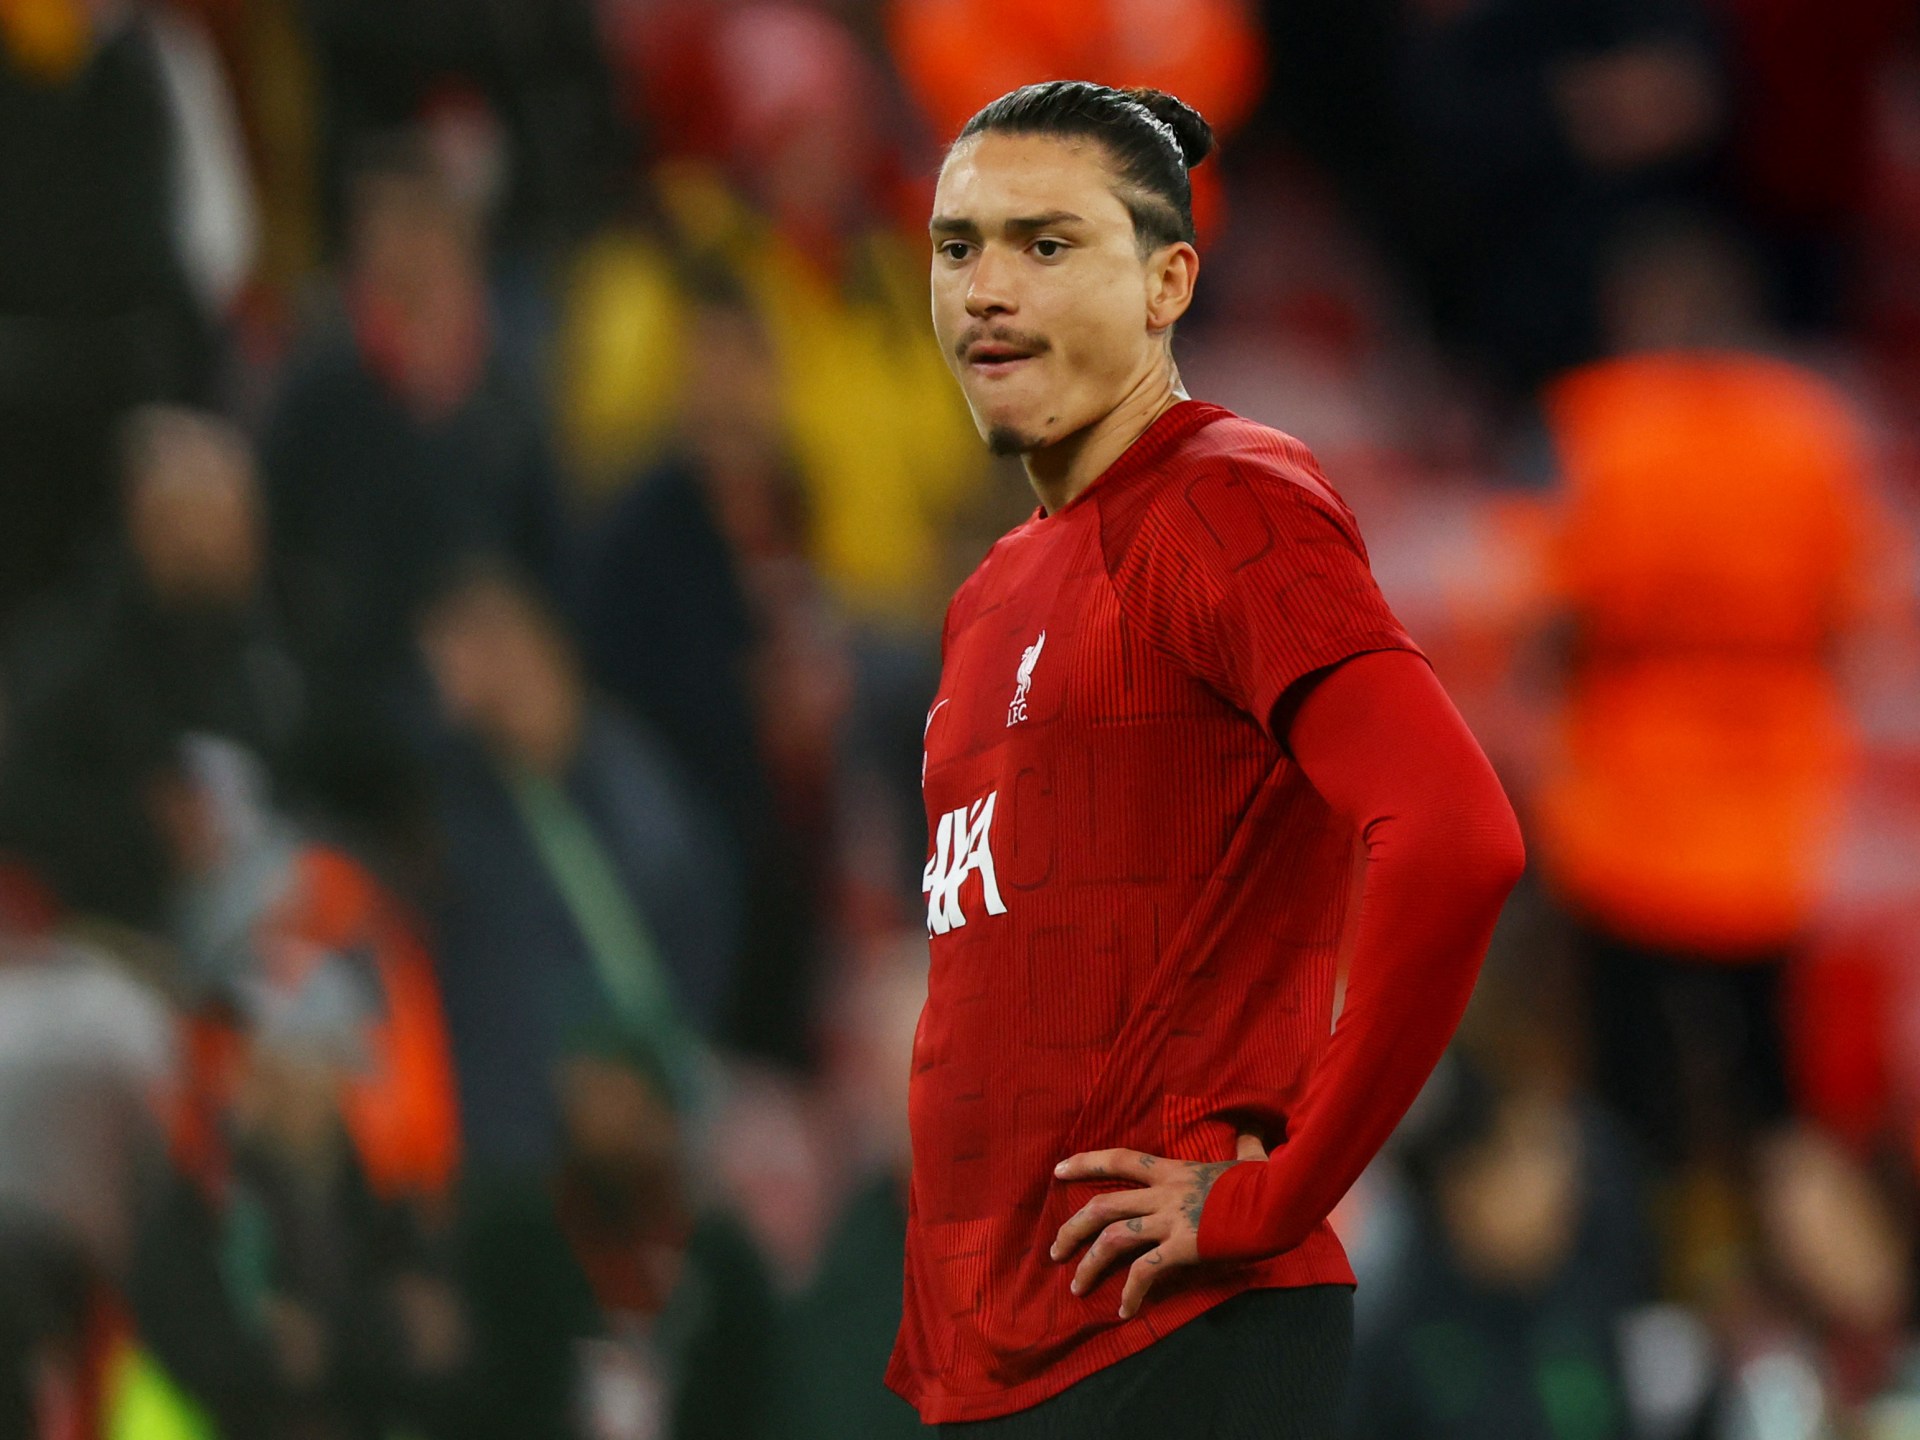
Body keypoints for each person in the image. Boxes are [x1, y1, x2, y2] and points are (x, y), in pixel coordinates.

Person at [889, 82, 1526, 1435]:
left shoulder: (1224, 503)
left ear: (1168, 282)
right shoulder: (991, 592)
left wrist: (1276, 1194)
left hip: (1173, 1339)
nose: (987, 290)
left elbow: (1458, 837)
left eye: (1047, 244)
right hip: (1005, 1363)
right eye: (959, 247)